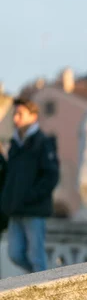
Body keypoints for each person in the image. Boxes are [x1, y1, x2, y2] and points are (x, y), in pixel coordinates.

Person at [0, 98, 59, 273]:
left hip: (34, 210)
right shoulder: (14, 144)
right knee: (15, 254)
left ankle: (42, 290)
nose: (15, 118)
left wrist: (30, 196)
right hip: (15, 209)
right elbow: (10, 176)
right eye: (14, 114)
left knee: (36, 258)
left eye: (20, 114)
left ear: (33, 117)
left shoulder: (43, 142)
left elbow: (51, 176)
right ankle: (35, 281)